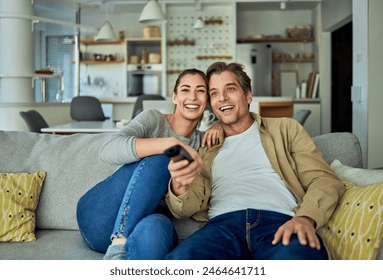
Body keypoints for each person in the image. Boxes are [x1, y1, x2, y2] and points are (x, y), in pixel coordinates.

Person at [164, 62, 345, 260]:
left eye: (230, 89)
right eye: (214, 93)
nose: (222, 98)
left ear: (248, 94)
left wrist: (306, 217)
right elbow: (187, 207)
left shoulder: (285, 130)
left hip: (280, 222)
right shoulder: (205, 147)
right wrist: (180, 185)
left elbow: (323, 179)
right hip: (223, 227)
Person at [76, 68, 221, 260]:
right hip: (99, 217)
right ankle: (118, 245)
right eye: (185, 90)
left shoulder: (202, 144)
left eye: (200, 91)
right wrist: (169, 144)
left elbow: (182, 210)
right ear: (175, 97)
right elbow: (108, 149)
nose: (192, 97)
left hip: (144, 225)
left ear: (207, 101)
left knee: (158, 226)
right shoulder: (154, 120)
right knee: (162, 158)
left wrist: (222, 124)